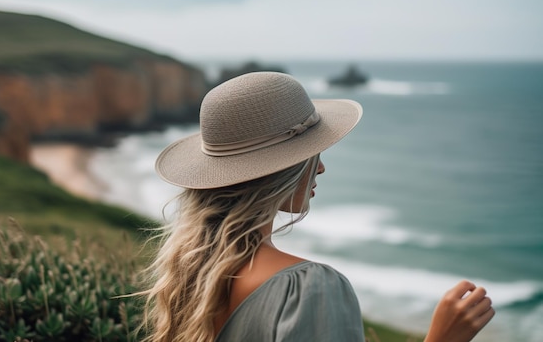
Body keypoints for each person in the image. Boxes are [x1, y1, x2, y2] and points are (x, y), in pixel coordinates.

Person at [140, 72, 495, 342]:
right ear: (279, 170)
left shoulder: (191, 273)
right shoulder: (308, 289)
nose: (320, 167)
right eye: (311, 154)